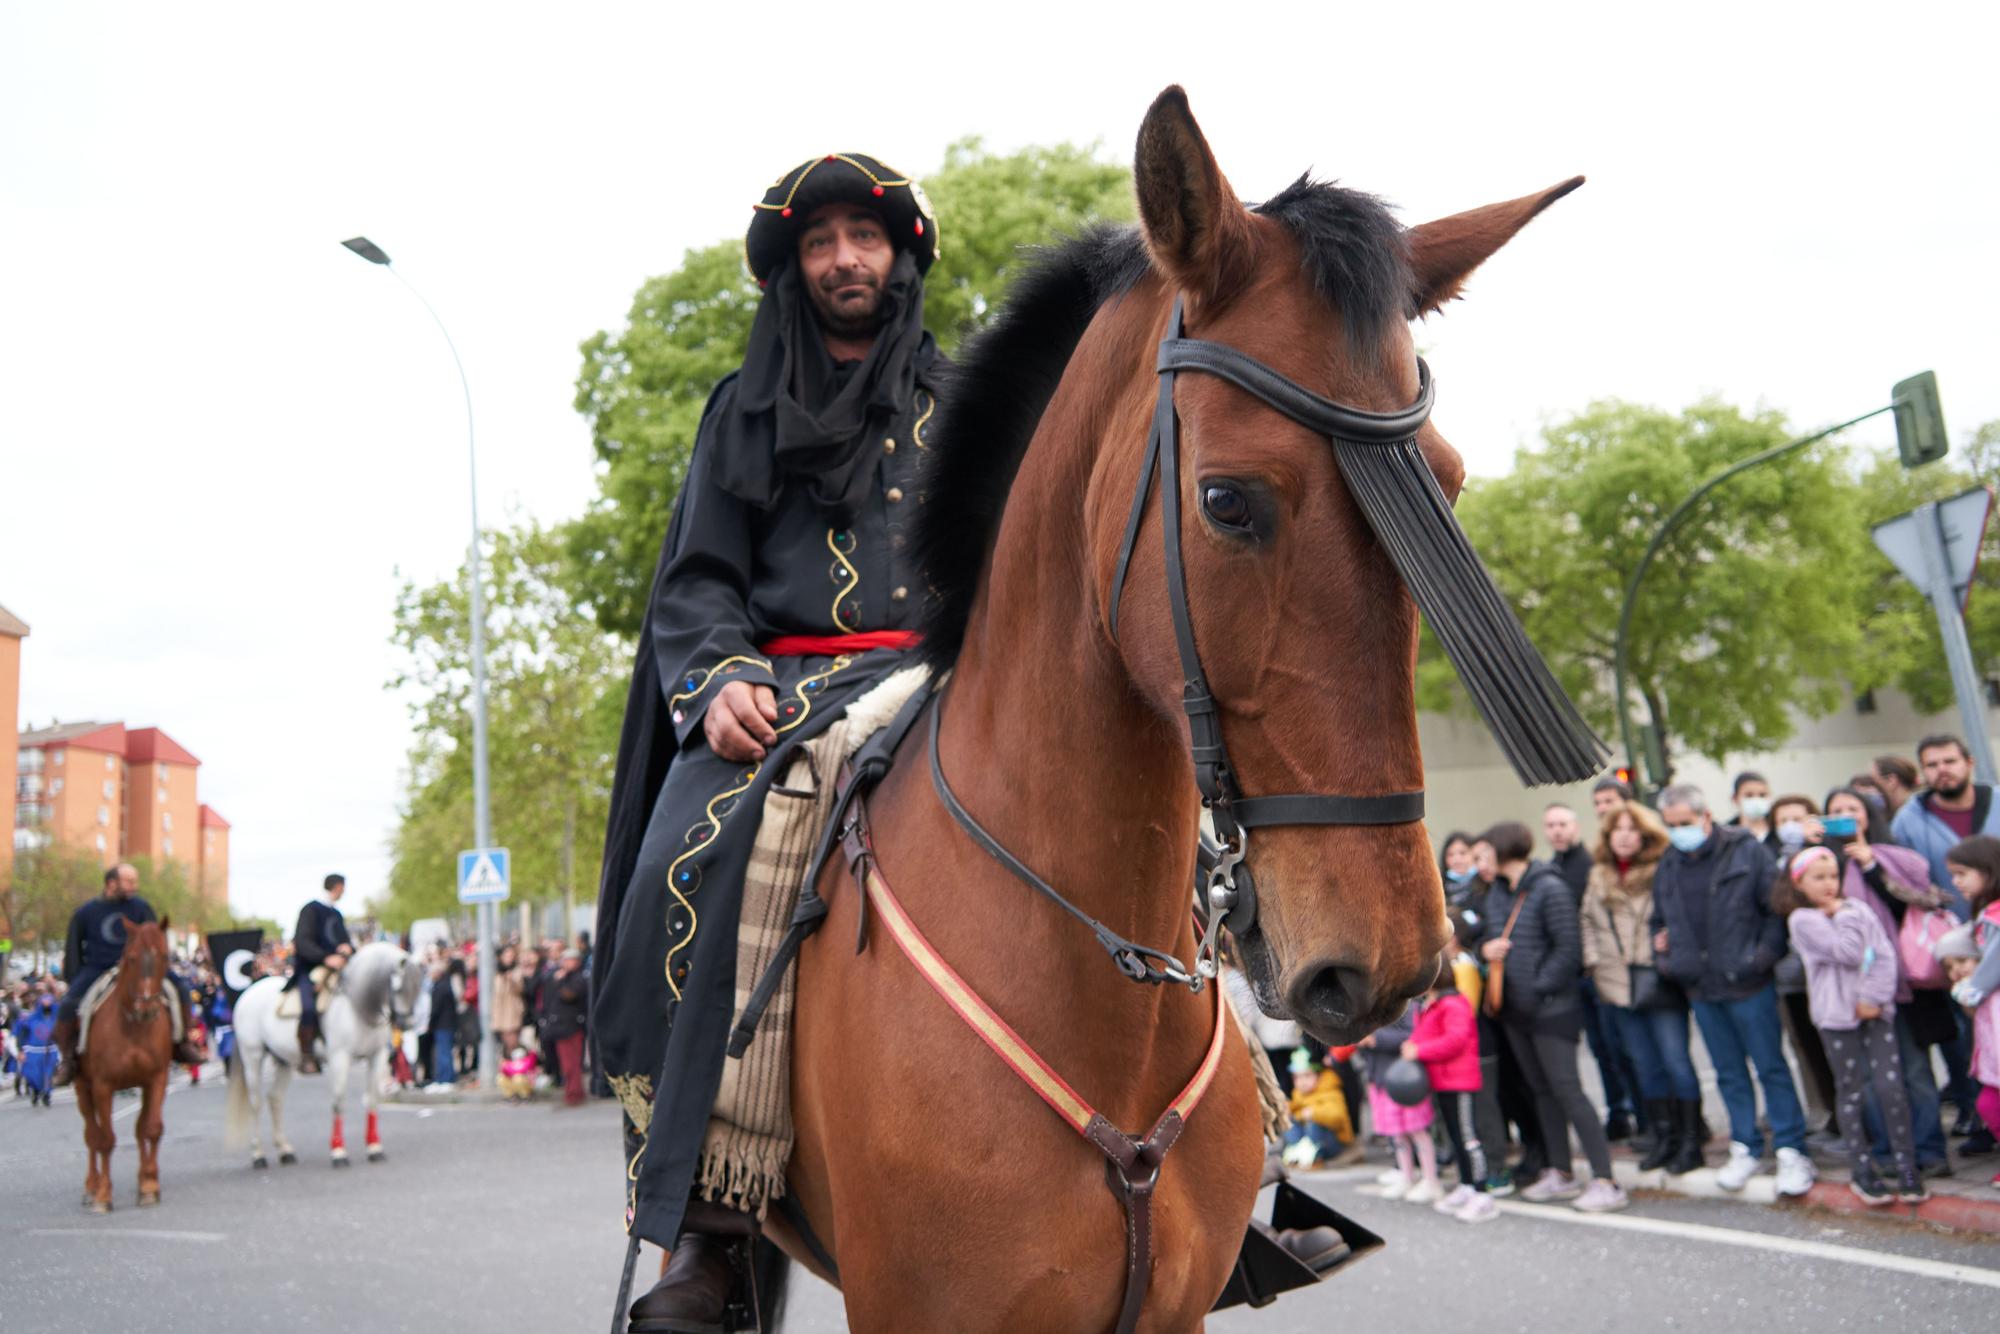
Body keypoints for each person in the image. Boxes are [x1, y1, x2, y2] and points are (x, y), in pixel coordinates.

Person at [589, 150, 945, 1324]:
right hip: (783, 696)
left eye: (865, 234)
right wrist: (718, 678)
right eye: (820, 239)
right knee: (673, 867)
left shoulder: (970, 399)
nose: (846, 255)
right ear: (795, 267)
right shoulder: (736, 411)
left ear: (900, 254)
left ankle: (1232, 1154)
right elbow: (695, 582)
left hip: (944, 681)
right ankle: (711, 1229)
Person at [1650, 783, 1813, 1195]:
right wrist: (1669, 962)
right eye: (1671, 825)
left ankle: (1792, 1150)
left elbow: (1774, 909)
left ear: (1706, 817)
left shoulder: (1745, 850)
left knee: (1770, 1067)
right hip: (1701, 987)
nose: (1678, 832)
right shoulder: (1668, 864)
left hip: (1749, 982)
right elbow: (1659, 922)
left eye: (1685, 823)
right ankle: (1745, 1146)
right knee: (1728, 1073)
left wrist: (1761, 958)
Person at [1478, 821, 1628, 1213]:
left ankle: (1605, 1179)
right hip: (1512, 1009)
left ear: (1503, 850)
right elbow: (1489, 940)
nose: (1480, 862)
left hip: (1552, 1009)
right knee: (1541, 1091)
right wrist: (1486, 951)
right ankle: (1559, 1172)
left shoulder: (1550, 887)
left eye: (1484, 853)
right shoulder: (1496, 894)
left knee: (1568, 1090)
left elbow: (1569, 950)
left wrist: (1537, 987)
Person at [1778, 846, 1926, 1205]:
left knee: (1892, 1089)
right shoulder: (1803, 920)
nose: (1829, 884)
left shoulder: (1857, 909)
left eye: (1833, 877)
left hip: (1874, 1012)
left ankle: (1908, 1168)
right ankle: (1863, 1170)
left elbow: (1883, 954)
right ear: (1799, 883)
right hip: (1835, 1017)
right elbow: (1847, 952)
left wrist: (1872, 999)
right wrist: (1844, 916)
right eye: (1819, 878)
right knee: (1851, 1089)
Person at [1826, 787, 1955, 1175]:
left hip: (1904, 983)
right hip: (1850, 986)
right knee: (1868, 1074)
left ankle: (1929, 1150)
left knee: (1914, 1070)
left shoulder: (1893, 858)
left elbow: (1915, 903)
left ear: (1869, 815)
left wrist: (1871, 868)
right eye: (1836, 811)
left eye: (1853, 808)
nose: (1847, 815)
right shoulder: (1824, 865)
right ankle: (1885, 1150)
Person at [1581, 799, 1702, 1174]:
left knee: (1675, 1061)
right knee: (1645, 1065)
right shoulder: (1599, 875)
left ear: (1646, 834)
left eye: (1632, 829)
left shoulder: (1663, 868)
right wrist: (1595, 961)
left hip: (1659, 978)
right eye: (1618, 830)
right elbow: (1586, 921)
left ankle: (1690, 1140)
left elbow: (1681, 915)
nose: (1625, 837)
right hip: (1617, 983)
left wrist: (1667, 943)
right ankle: (1663, 1138)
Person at [1890, 735, 1990, 1134]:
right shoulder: (1909, 820)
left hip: (1995, 931)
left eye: (1949, 761)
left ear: (1969, 762)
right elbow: (1900, 881)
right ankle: (1976, 1116)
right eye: (1931, 764)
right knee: (1964, 1034)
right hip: (1950, 947)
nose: (1941, 770)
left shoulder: (1997, 802)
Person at [52, 863, 205, 1085]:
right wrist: (74, 979)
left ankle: (182, 1042)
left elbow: (155, 939)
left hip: (140, 968)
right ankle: (68, 1059)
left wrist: (159, 968)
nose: (135, 886)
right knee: (68, 1005)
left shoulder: (141, 908)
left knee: (180, 989)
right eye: (130, 881)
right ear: (112, 883)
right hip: (97, 968)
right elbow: (73, 950)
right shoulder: (85, 913)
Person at [1403, 957, 1493, 1222]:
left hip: (1460, 1081)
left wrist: (1419, 1050)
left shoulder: (1453, 1004)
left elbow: (1455, 1040)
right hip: (1441, 1081)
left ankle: (1482, 1191)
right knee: (1456, 1137)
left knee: (1468, 1138)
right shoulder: (1431, 1005)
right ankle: (1466, 1186)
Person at [1357, 1006, 1437, 1204]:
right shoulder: (1372, 1002)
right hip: (1380, 1077)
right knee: (1396, 1132)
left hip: (1404, 1078)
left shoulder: (1406, 1004)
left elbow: (1412, 1034)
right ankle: (1406, 1175)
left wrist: (1376, 1039)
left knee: (1417, 1130)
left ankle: (1431, 1179)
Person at [286, 873, 354, 1076]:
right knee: (308, 1005)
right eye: (343, 887)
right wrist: (325, 957)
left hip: (337, 968)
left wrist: (347, 948)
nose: (344, 891)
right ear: (337, 887)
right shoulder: (311, 910)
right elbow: (303, 942)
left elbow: (344, 939)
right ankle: (306, 1054)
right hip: (311, 967)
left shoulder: (337, 914)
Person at [1280, 1049, 1352, 1168]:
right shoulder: (1298, 1093)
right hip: (1307, 1140)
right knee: (1288, 1121)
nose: (1302, 1082)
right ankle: (1296, 1151)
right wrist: (1288, 1109)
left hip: (1331, 1143)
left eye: (1307, 1076)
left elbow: (1337, 1117)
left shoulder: (1329, 1090)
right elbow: (1296, 1109)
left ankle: (1315, 1157)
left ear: (1319, 1075)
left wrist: (1314, 1113)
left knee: (1314, 1124)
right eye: (1297, 1078)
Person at [547, 948, 590, 1108]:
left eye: (569, 960)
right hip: (560, 1026)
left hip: (571, 1026)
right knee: (566, 1063)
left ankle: (574, 1093)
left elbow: (569, 995)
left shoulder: (579, 978)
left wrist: (559, 981)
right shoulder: (562, 977)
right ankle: (572, 1091)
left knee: (572, 1063)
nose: (565, 963)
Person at [12, 988, 59, 1107]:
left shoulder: (57, 1019)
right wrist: (21, 1050)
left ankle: (47, 1094)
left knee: (48, 1074)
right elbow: (21, 1034)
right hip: (33, 1051)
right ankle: (36, 1090)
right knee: (32, 1075)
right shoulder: (30, 1019)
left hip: (50, 1050)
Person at [424, 955, 460, 1091]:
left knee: (443, 1052)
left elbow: (436, 1009)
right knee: (444, 1052)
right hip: (446, 1025)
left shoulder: (440, 987)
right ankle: (444, 1078)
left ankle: (445, 1079)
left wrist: (430, 1023)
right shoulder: (445, 984)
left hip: (443, 1025)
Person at [1726, 771, 1778, 855]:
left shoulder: (1778, 832)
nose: (1756, 800)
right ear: (1735, 798)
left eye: (1762, 795)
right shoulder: (1726, 835)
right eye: (1749, 795)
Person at [1439, 830, 1484, 913]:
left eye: (1463, 853)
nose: (1457, 860)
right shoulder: (1439, 887)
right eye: (1450, 855)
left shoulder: (1485, 883)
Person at [1873, 754, 1921, 819]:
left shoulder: (1917, 812)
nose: (1872, 788)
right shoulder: (1888, 812)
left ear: (1891, 781)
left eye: (1874, 782)